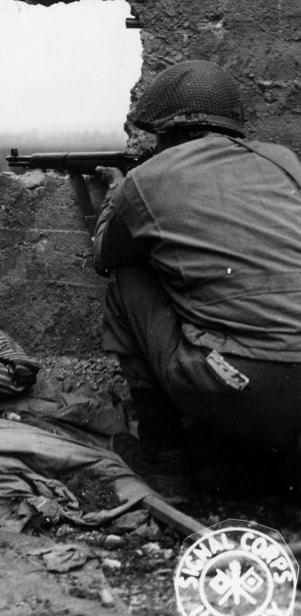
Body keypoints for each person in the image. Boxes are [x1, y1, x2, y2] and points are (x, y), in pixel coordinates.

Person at [91, 60, 301, 497]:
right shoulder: (283, 161)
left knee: (129, 279)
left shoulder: (145, 180)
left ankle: (165, 463)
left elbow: (105, 257)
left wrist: (118, 192)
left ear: (171, 131)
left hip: (238, 385)